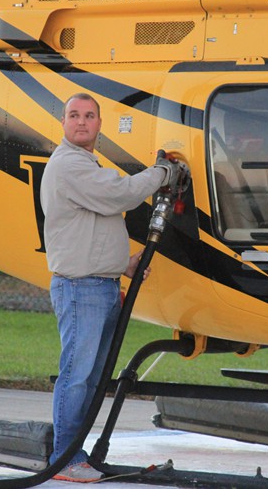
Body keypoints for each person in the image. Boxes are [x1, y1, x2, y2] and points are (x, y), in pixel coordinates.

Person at [39, 93, 181, 483]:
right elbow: (120, 194)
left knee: (93, 376)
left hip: (98, 285)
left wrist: (125, 264)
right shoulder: (70, 164)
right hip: (81, 288)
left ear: (99, 124)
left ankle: (74, 455)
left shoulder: (85, 164)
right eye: (74, 116)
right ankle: (65, 460)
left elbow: (93, 223)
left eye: (88, 116)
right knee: (78, 375)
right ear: (64, 123)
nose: (81, 122)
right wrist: (163, 173)